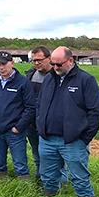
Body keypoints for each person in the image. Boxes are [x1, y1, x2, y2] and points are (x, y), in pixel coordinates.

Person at [36, 47, 99, 197]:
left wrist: (84, 138)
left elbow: (96, 112)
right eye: (53, 64)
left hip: (73, 141)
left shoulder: (85, 80)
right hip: (47, 139)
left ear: (71, 61)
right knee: (47, 176)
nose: (55, 68)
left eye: (59, 64)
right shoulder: (48, 79)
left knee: (79, 178)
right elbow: (39, 104)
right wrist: (41, 126)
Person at [0, 52, 36, 179]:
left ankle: (24, 191)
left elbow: (30, 107)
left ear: (12, 63)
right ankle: (2, 188)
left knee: (20, 164)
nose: (1, 67)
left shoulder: (23, 82)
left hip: (14, 132)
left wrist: (18, 127)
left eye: (4, 64)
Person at [25, 46, 66, 184]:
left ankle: (59, 184)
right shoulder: (30, 75)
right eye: (33, 60)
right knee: (37, 155)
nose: (36, 63)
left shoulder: (58, 76)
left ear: (49, 58)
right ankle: (41, 181)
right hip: (32, 123)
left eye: (39, 60)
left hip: (50, 125)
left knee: (56, 157)